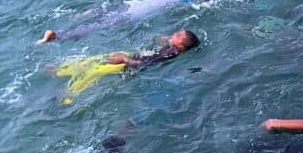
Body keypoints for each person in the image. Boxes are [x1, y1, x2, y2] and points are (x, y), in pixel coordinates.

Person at [38, 0, 251, 44]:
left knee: (102, 12)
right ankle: (58, 35)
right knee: (97, 27)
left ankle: (82, 14)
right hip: (132, 15)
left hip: (128, 4)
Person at [54, 29, 199, 104]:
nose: (175, 33)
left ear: (181, 46)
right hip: (129, 57)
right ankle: (60, 70)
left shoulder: (171, 53)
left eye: (178, 35)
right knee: (94, 61)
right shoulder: (172, 47)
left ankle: (68, 97)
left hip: (126, 65)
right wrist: (166, 39)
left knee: (93, 72)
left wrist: (124, 60)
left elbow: (147, 63)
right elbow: (156, 45)